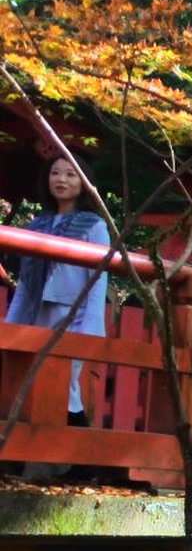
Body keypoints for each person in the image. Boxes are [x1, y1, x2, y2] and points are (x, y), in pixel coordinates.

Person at [5, 156, 110, 428]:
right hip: (35, 311)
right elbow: (27, 280)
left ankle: (80, 461)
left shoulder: (93, 225)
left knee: (63, 382)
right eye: (56, 173)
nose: (61, 179)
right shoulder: (37, 225)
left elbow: (98, 279)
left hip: (71, 313)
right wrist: (12, 321)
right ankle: (20, 456)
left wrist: (91, 324)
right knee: (24, 378)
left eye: (71, 174)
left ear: (83, 183)